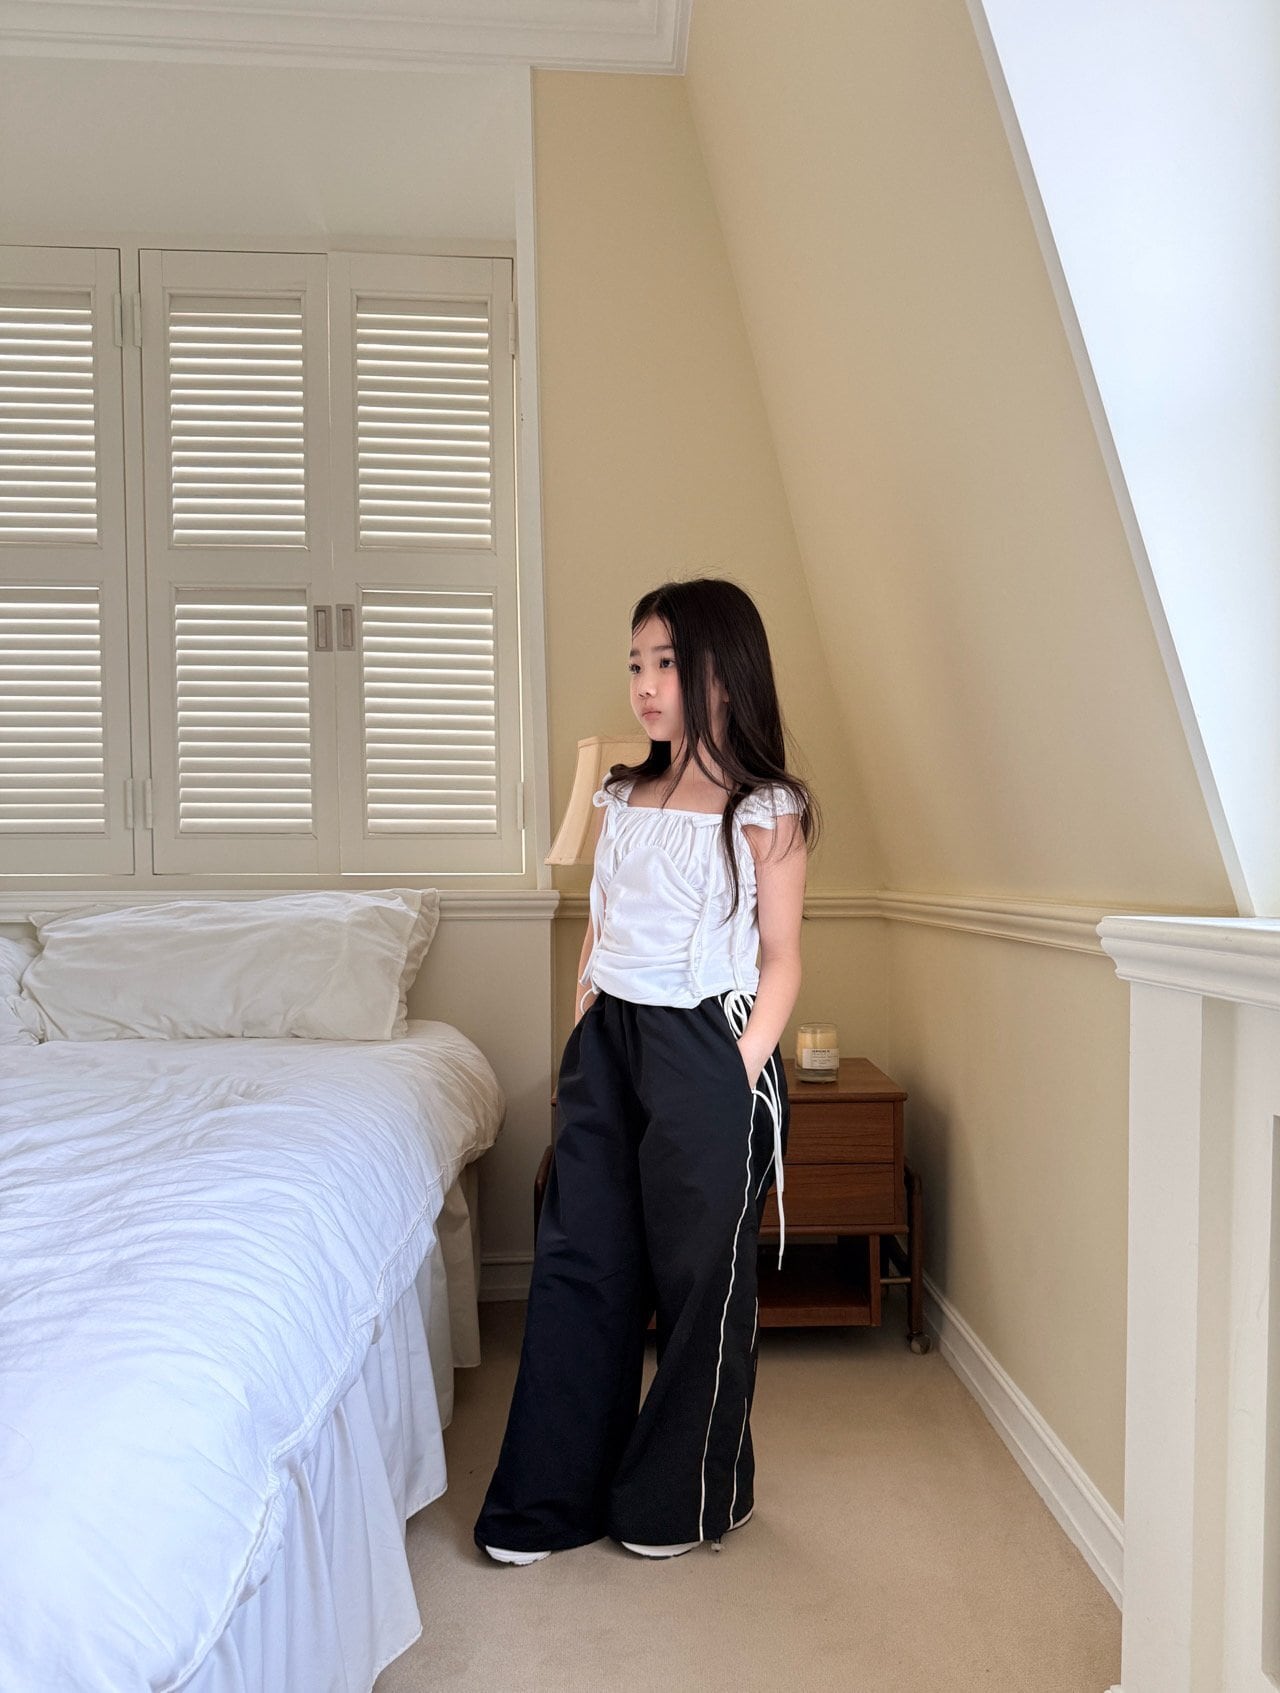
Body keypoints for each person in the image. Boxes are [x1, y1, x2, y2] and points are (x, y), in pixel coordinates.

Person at [474, 576, 817, 1565]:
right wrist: (580, 1033)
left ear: (723, 674)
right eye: (636, 663)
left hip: (706, 1043)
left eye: (666, 662)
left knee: (701, 1281)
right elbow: (599, 926)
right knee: (580, 1259)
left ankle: (686, 1499)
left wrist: (735, 1068)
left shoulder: (766, 809)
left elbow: (782, 958)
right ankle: (550, 1500)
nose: (645, 682)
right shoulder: (620, 795)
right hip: (609, 1041)